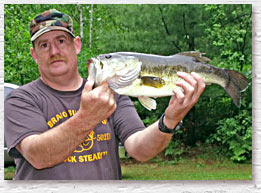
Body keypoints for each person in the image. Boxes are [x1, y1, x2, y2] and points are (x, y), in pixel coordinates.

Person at [4, 9, 206, 180]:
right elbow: (37, 156)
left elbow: (139, 150)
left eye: (61, 40)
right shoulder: (20, 99)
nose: (54, 51)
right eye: (44, 45)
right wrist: (86, 117)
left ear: (77, 45)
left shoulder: (112, 92)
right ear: (34, 55)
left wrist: (170, 120)